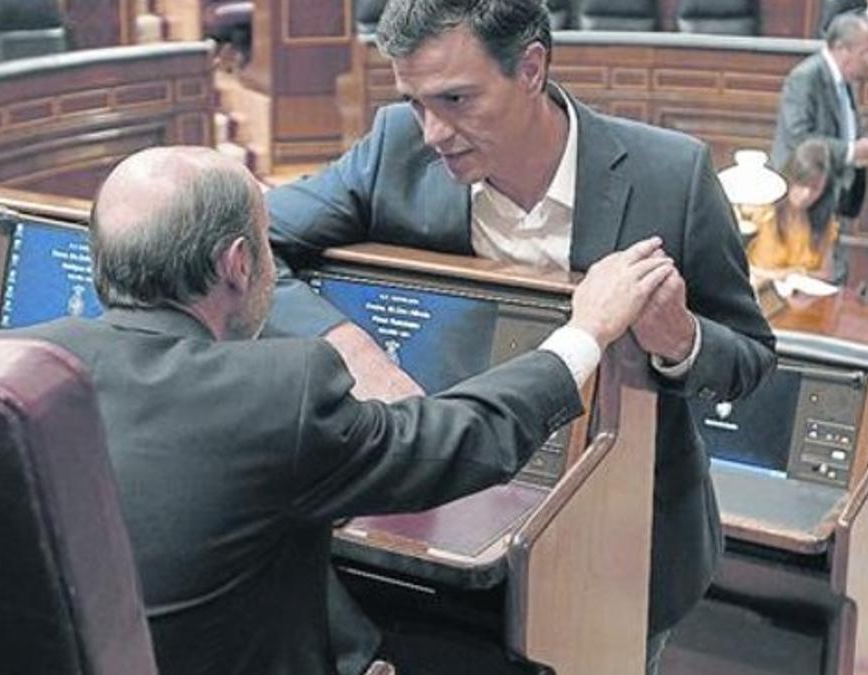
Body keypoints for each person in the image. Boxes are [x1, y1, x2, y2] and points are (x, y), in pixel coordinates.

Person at [8, 146, 674, 675]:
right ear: (239, 264)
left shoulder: (6, 367)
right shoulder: (275, 392)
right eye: (269, 245)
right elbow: (462, 439)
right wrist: (585, 332)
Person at [262, 1, 777, 672]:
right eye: (415, 101)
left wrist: (679, 338)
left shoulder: (670, 175)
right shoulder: (395, 146)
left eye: (456, 99)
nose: (433, 132)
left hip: (623, 542)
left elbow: (751, 358)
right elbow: (243, 249)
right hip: (442, 521)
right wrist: (348, 345)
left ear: (531, 67)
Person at [772, 14, 868, 224]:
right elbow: (798, 138)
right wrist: (851, 151)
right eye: (865, 53)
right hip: (805, 193)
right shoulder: (805, 77)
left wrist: (867, 143)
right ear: (842, 49)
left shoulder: (846, 81)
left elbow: (849, 126)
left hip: (837, 193)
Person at [747, 139, 845, 283]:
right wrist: (785, 275)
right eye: (802, 183)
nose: (806, 194)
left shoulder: (824, 219)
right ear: (791, 177)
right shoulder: (763, 208)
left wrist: (799, 275)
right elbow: (741, 266)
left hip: (805, 298)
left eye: (815, 188)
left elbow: (826, 274)